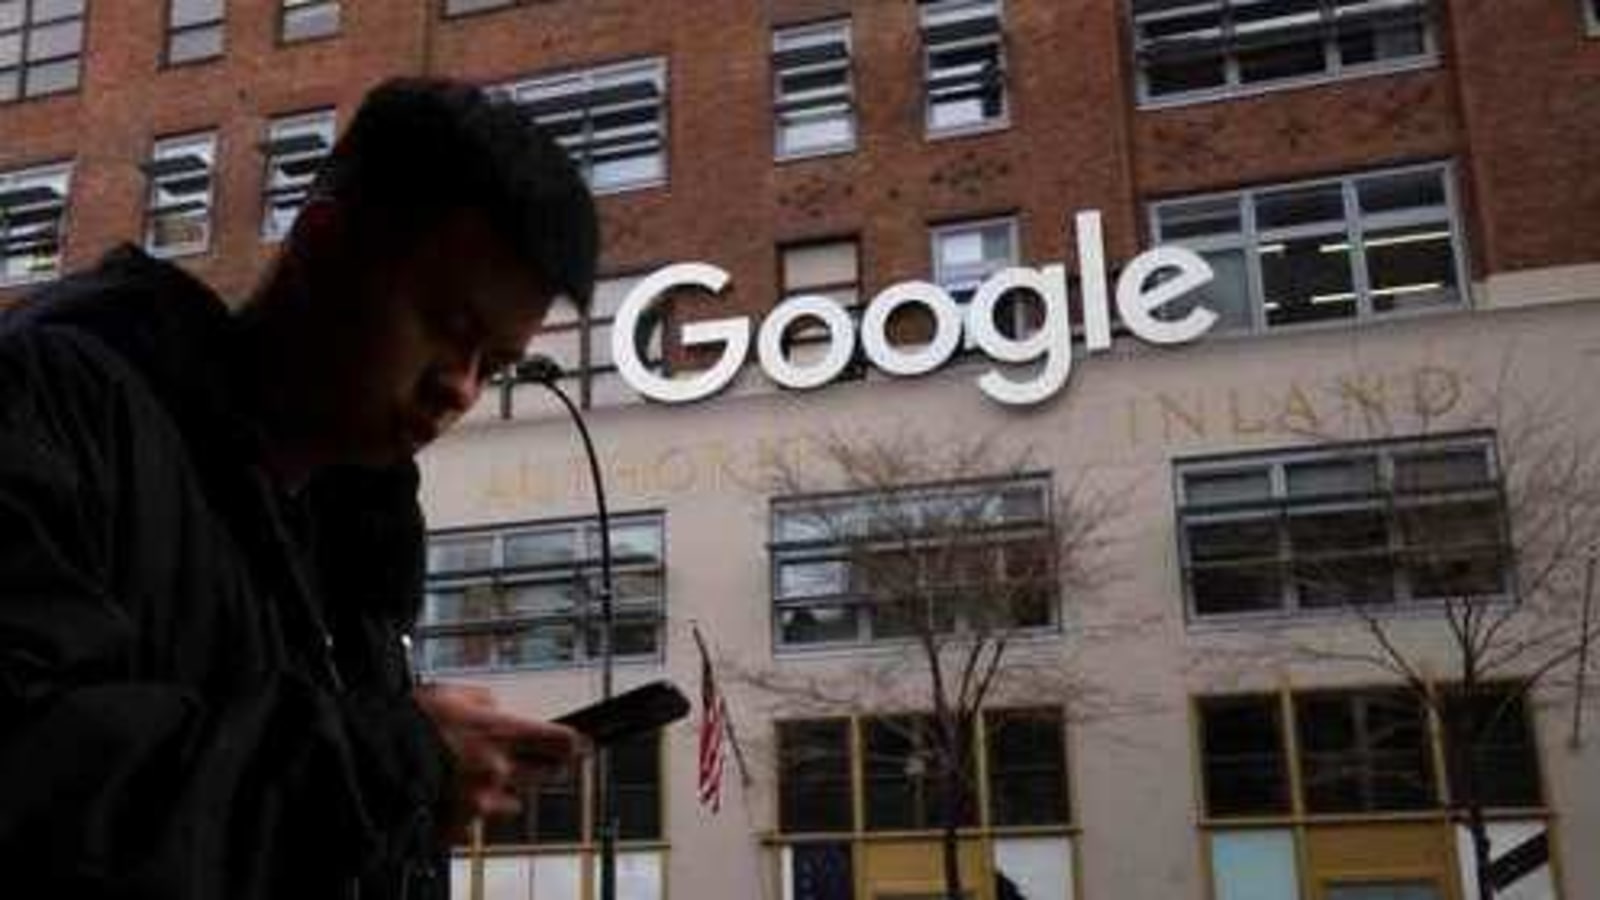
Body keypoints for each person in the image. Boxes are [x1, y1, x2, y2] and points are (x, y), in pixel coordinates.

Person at [0, 78, 598, 898]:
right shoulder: (54, 409)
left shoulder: (359, 557)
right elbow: (33, 772)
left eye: (492, 366)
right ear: (322, 244)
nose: (459, 389)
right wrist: (388, 764)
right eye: (448, 330)